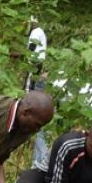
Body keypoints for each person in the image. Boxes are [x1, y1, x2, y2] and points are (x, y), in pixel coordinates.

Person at [27, 16, 50, 170]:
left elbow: (30, 50)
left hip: (36, 65)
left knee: (33, 98)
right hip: (38, 65)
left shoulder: (36, 31)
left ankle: (39, 161)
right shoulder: (40, 31)